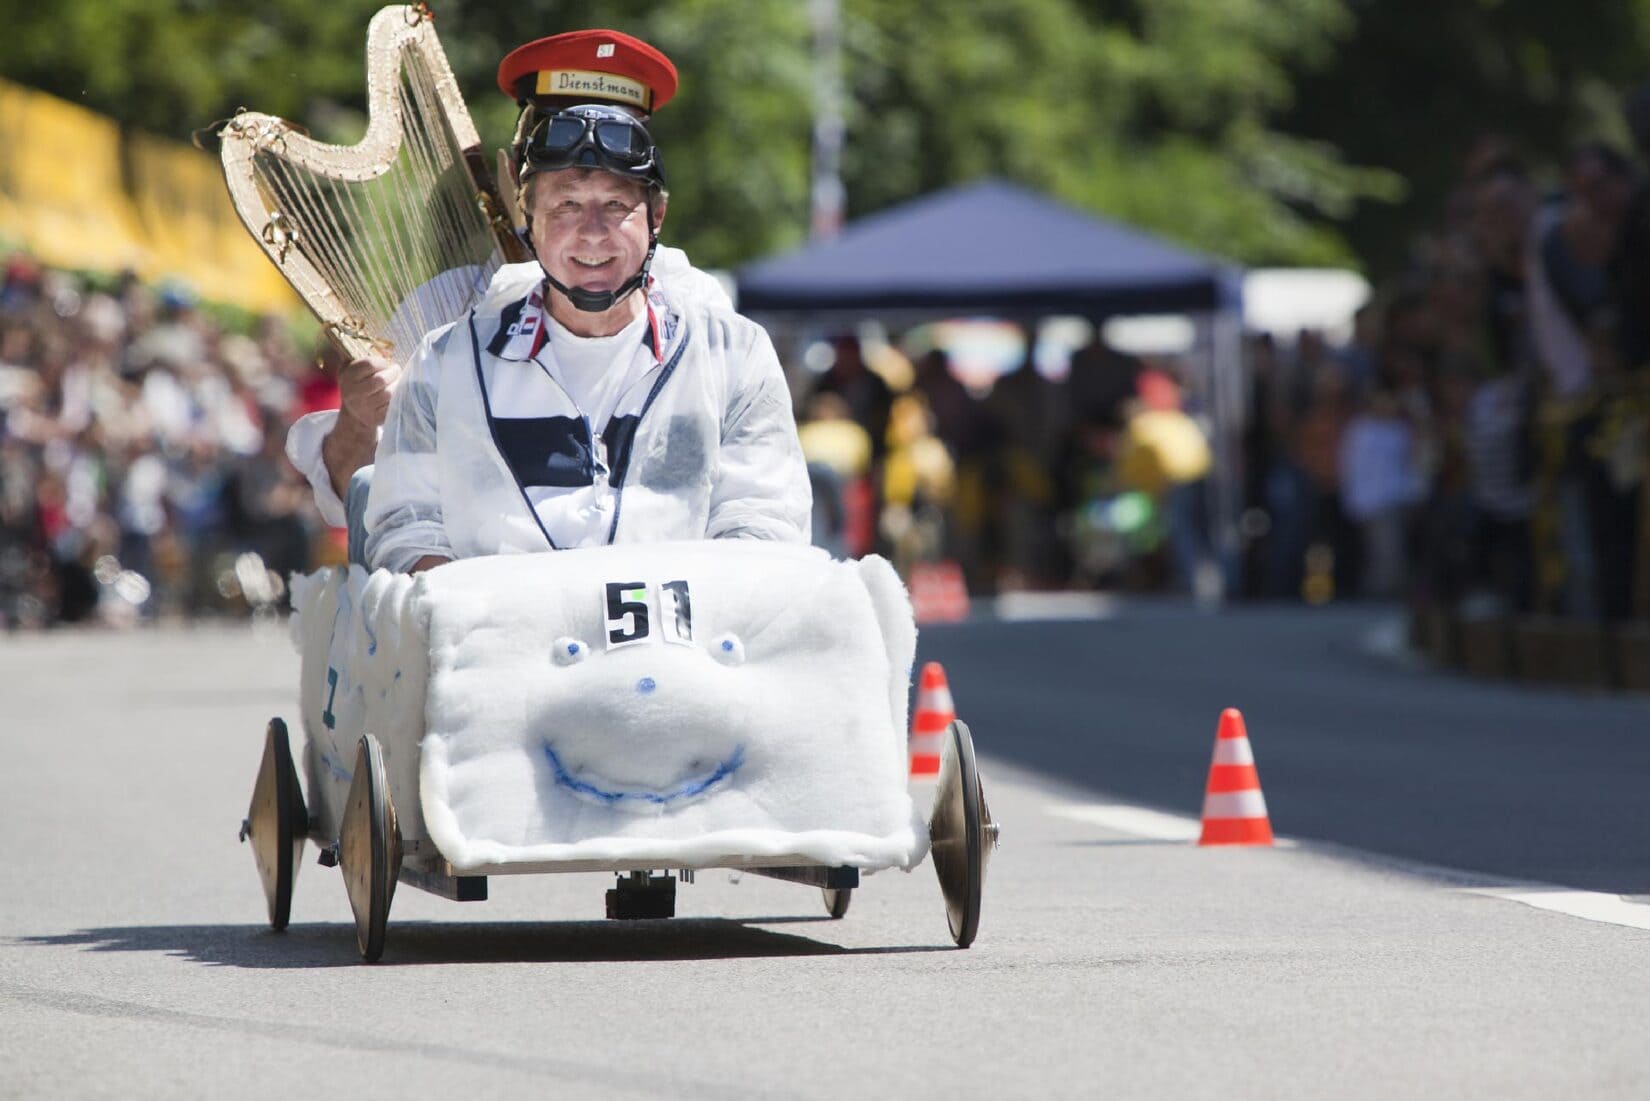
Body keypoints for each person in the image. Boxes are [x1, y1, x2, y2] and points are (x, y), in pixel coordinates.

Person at [283, 30, 743, 563]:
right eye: (564, 188)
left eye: (611, 189)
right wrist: (359, 420)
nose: (588, 216)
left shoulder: (698, 307)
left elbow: (741, 498)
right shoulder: (445, 311)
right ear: (513, 178)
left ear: (649, 196)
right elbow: (368, 501)